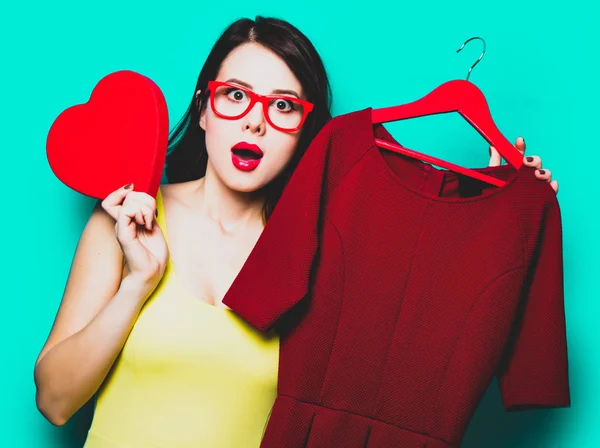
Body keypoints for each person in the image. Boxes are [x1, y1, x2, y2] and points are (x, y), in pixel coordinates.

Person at [34, 16, 560, 448]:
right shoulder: (127, 221)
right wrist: (138, 284)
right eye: (235, 95)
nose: (255, 123)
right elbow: (55, 403)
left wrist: (500, 208)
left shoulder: (327, 252)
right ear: (202, 109)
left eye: (284, 106)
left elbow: (418, 331)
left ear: (307, 131)